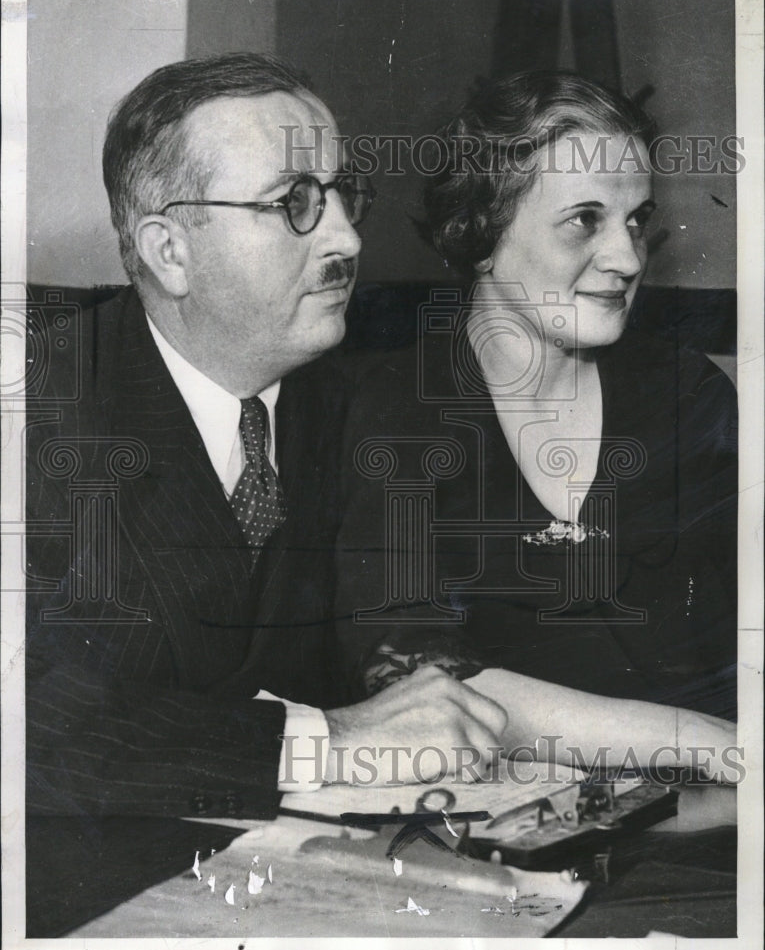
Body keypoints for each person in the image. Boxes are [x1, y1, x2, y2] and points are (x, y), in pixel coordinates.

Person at [25, 53, 511, 819]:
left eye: (345, 195)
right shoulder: (36, 413)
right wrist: (330, 740)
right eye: (295, 202)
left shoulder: (359, 398)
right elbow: (31, 725)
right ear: (170, 251)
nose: (348, 239)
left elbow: (404, 632)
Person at [335, 71, 737, 774]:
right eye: (585, 219)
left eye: (635, 220)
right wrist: (705, 743)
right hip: (499, 822)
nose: (626, 258)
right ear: (481, 231)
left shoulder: (685, 391)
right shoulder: (394, 407)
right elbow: (412, 678)